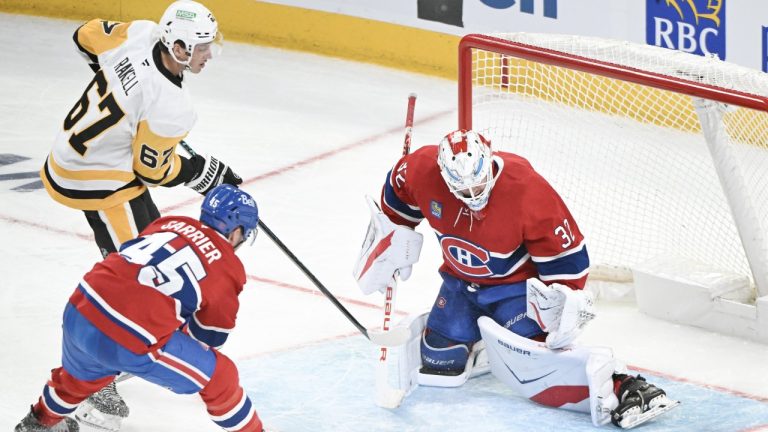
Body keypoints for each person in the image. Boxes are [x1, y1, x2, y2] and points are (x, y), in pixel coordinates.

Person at [353, 129, 678, 428]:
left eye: (478, 185)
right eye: (461, 187)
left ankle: (622, 385)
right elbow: (398, 192)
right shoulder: (422, 169)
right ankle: (481, 343)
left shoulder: (526, 189)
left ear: (489, 164)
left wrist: (563, 301)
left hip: (513, 291)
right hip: (458, 285)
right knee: (440, 363)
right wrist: (392, 235)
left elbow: (568, 257)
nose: (472, 194)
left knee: (535, 364)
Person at [39, 0, 242, 426]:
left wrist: (118, 84)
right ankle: (96, 383)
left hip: (70, 153)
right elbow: (151, 168)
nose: (209, 54)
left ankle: (134, 335)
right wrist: (202, 172)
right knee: (137, 263)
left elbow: (86, 35)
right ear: (181, 47)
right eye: (203, 47)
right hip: (94, 178)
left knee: (156, 246)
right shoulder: (172, 105)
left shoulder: (140, 33)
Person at [14, 184, 264, 432]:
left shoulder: (169, 223)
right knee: (222, 376)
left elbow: (128, 262)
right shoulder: (228, 267)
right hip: (127, 338)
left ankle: (40, 422)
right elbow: (208, 339)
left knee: (84, 375)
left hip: (80, 307)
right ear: (236, 232)